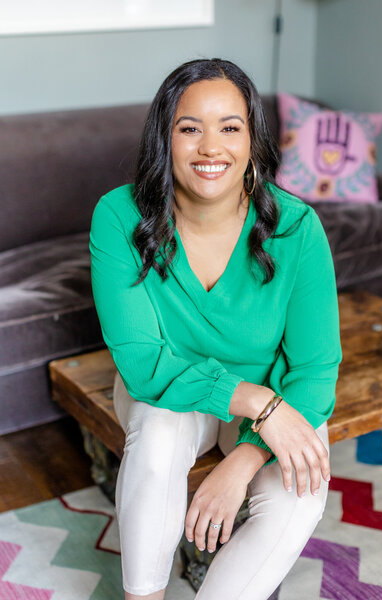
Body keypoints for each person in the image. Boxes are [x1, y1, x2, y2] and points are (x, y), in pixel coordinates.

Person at [89, 58, 342, 600]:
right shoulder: (118, 216)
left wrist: (246, 459)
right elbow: (144, 363)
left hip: (269, 398)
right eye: (189, 129)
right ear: (166, 137)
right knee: (157, 435)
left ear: (253, 139)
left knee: (303, 489)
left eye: (230, 127)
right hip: (169, 390)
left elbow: (316, 368)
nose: (211, 148)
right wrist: (259, 405)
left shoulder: (297, 228)